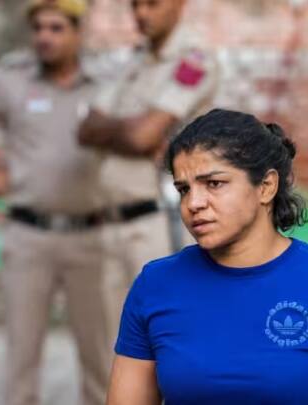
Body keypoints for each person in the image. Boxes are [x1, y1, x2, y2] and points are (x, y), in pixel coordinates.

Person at [106, 109, 308, 405]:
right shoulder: (156, 285)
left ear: (266, 186)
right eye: (184, 189)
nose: (193, 203)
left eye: (214, 183)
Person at [0, 1, 114, 404]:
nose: (45, 36)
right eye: (39, 28)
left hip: (91, 237)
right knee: (21, 360)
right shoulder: (11, 82)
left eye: (57, 28)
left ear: (78, 33)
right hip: (28, 236)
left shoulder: (105, 85)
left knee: (101, 358)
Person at [78, 0, 219, 349]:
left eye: (152, 3)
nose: (141, 13)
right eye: (135, 4)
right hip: (110, 225)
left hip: (158, 225)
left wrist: (128, 132)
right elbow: (85, 128)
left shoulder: (193, 61)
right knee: (117, 354)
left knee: (167, 345)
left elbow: (143, 135)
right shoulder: (134, 62)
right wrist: (131, 131)